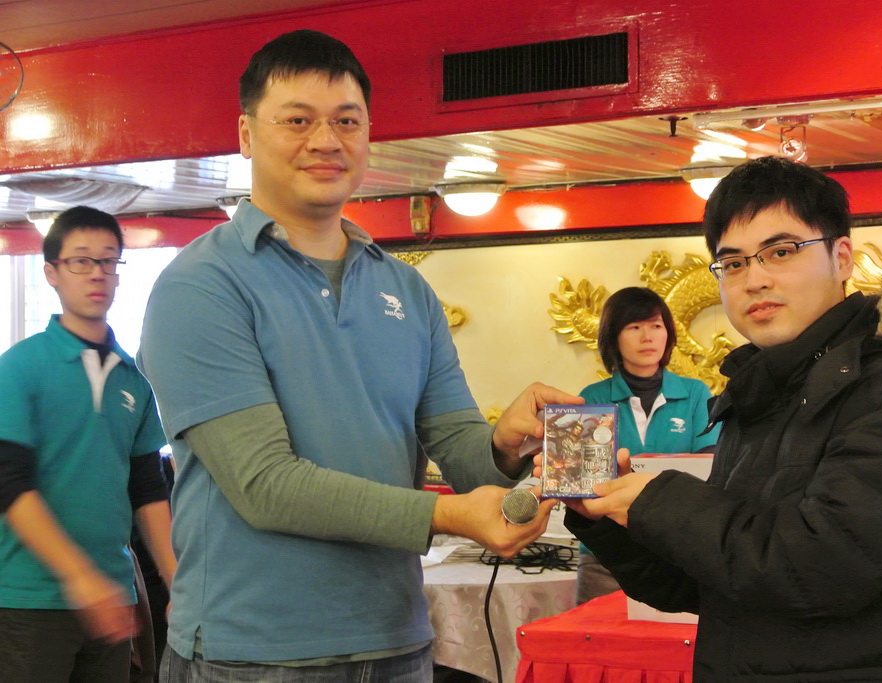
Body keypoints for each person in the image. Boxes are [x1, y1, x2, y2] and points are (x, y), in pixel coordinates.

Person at [137, 29, 571, 682]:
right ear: (247, 134)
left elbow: (457, 445)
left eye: (346, 120)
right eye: (298, 120)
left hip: (397, 642)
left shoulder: (406, 289)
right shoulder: (201, 285)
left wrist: (505, 447)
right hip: (252, 652)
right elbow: (265, 486)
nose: (326, 140)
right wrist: (447, 516)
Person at [564, 156, 882, 681]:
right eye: (733, 263)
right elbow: (714, 579)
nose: (754, 279)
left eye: (781, 252)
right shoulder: (764, 394)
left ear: (841, 257)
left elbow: (822, 570)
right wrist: (609, 513)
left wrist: (658, 500)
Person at [0, 205, 174, 683]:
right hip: (29, 598)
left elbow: (147, 489)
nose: (97, 273)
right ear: (51, 273)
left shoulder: (134, 378)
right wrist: (80, 579)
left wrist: (176, 580)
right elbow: (9, 485)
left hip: (113, 598)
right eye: (80, 260)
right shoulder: (18, 368)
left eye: (108, 260)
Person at [574, 287, 719, 605]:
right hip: (606, 555)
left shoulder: (696, 393)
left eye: (656, 325)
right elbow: (585, 481)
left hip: (678, 549)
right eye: (634, 327)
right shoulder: (592, 398)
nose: (647, 336)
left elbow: (709, 467)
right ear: (613, 337)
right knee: (596, 635)